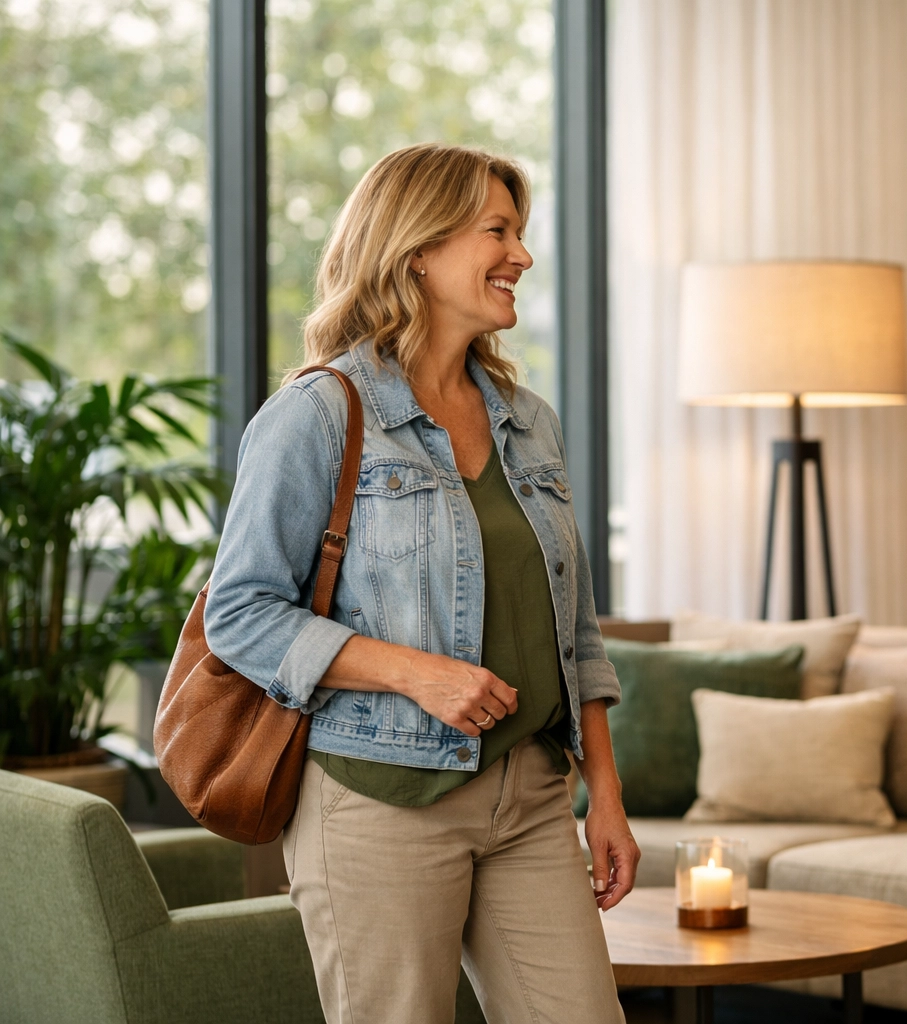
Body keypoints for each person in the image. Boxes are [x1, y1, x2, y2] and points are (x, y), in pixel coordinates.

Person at [203, 142, 635, 1024]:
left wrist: (608, 797)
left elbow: (575, 627)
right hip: (377, 798)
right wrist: (415, 671)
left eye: (521, 232)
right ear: (418, 250)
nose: (521, 254)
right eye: (498, 230)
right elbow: (240, 614)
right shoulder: (318, 413)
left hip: (531, 797)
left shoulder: (529, 421)